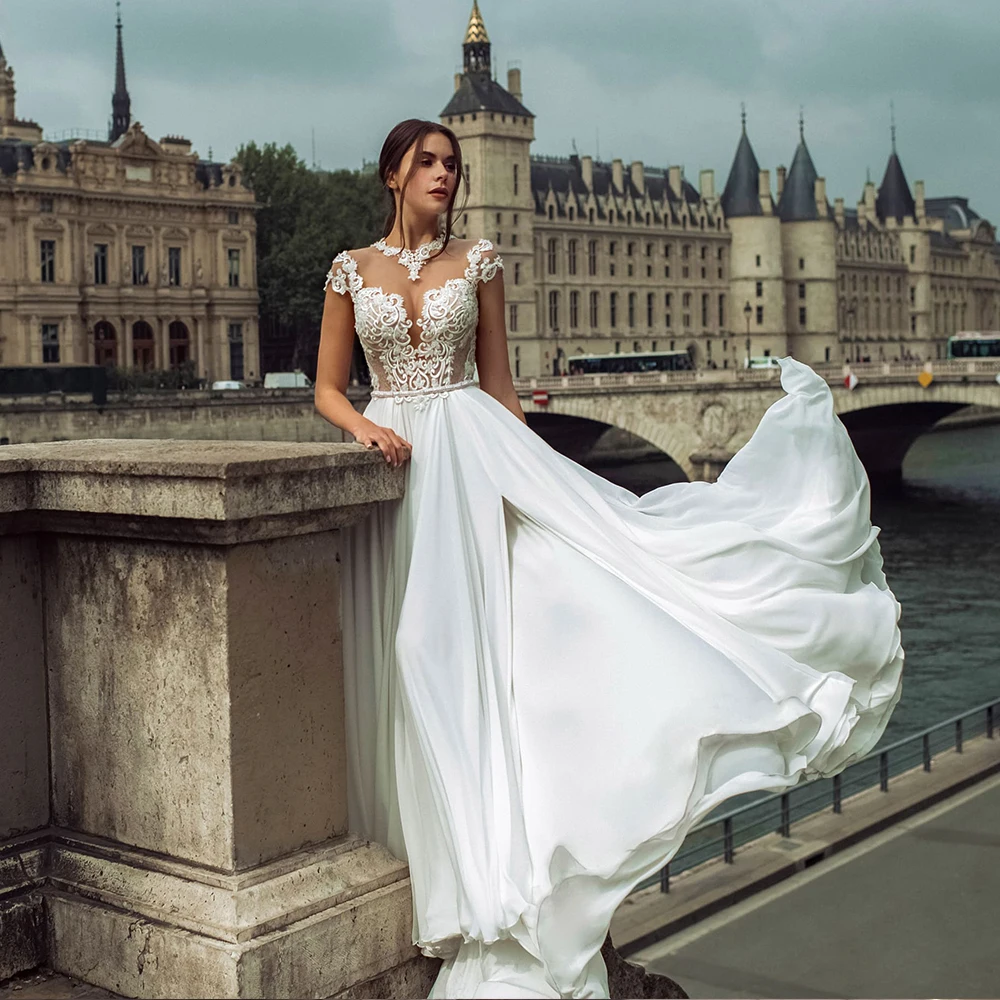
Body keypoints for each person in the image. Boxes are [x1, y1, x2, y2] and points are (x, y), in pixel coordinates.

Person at [314, 119, 904, 1000]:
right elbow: (328, 387)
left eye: (455, 165)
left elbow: (502, 391)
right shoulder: (348, 269)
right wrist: (366, 427)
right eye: (430, 162)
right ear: (392, 172)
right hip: (396, 460)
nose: (445, 175)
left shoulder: (479, 262)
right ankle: (427, 864)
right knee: (401, 663)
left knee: (453, 660)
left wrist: (540, 479)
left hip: (471, 459)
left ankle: (489, 874)